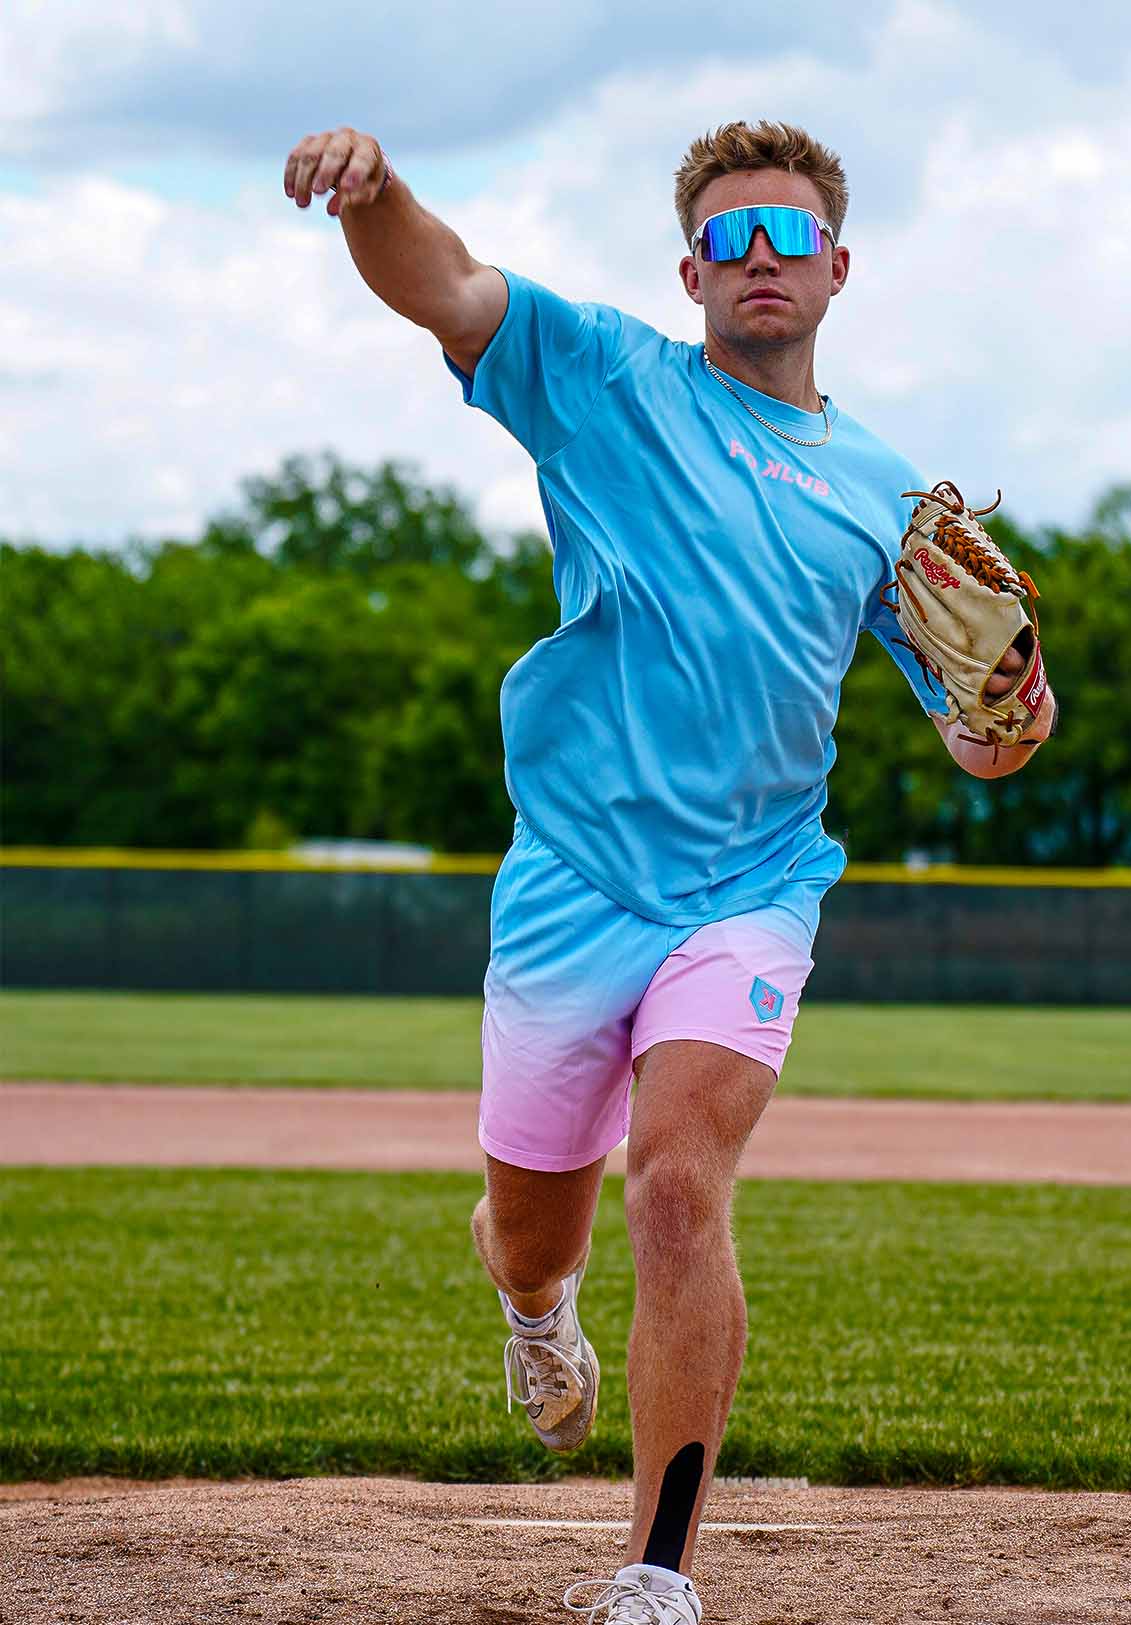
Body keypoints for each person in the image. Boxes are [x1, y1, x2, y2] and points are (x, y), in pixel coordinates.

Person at [284, 118, 1057, 1624]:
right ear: (691, 265)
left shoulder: (894, 502)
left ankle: (657, 1572)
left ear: (837, 267)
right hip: (573, 883)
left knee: (681, 1187)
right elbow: (444, 285)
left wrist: (1011, 718)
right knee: (534, 1226)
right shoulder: (609, 382)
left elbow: (976, 739)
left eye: (789, 237)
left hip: (752, 888)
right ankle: (533, 1306)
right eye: (731, 237)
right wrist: (376, 198)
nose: (760, 260)